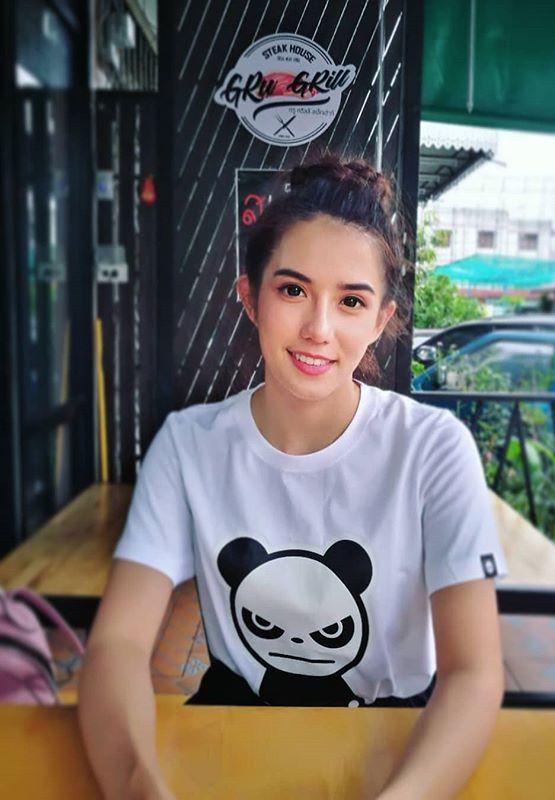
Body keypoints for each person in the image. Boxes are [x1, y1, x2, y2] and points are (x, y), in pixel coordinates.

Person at [78, 153, 508, 799]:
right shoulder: (190, 445)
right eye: (292, 290)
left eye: (351, 300)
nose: (318, 329)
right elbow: (117, 644)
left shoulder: (432, 448)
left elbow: (474, 672)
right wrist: (138, 785)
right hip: (237, 727)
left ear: (380, 320)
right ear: (250, 297)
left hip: (396, 737)